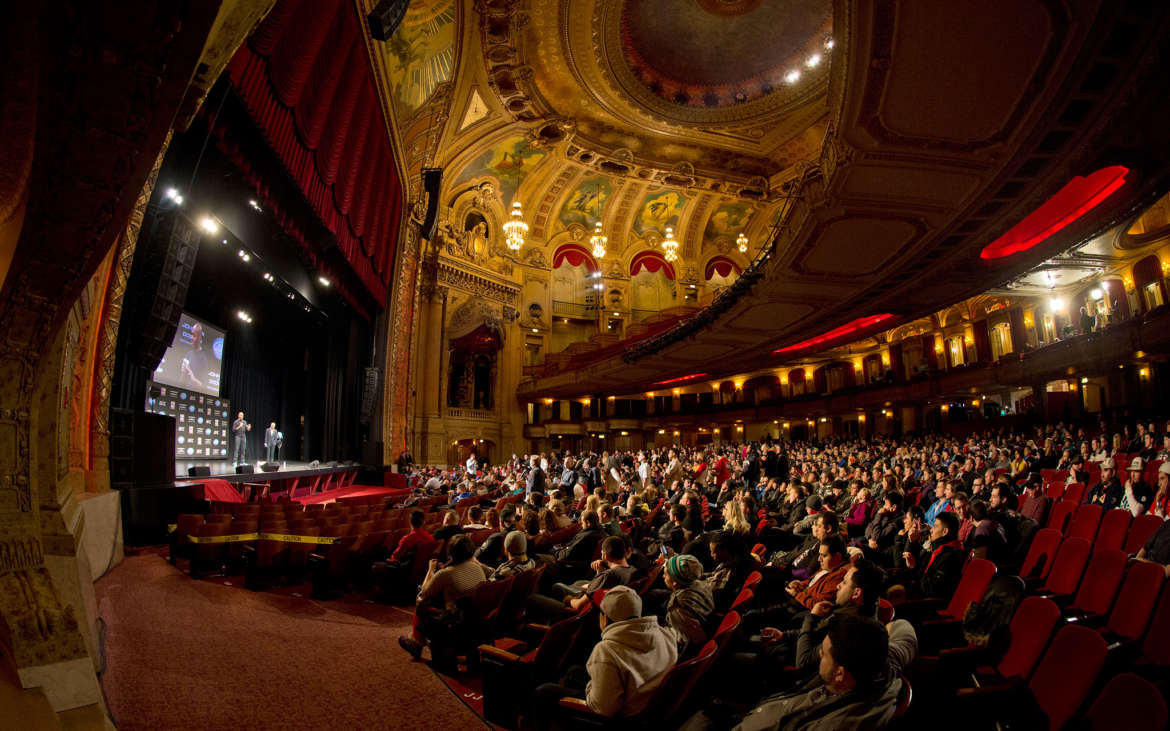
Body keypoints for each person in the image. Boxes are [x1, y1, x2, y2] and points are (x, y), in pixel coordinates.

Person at [530, 586, 678, 726]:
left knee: (543, 691)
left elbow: (603, 709)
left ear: (604, 619)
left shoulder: (607, 650)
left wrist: (590, 688)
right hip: (645, 699)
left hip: (623, 716)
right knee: (573, 672)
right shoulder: (662, 631)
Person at [727, 614, 902, 731]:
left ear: (840, 674)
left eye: (824, 654)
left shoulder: (833, 724)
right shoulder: (882, 668)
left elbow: (802, 662)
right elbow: (902, 625)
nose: (819, 654)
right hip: (765, 708)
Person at [397, 534, 486, 660]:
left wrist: (431, 570)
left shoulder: (447, 573)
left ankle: (417, 642)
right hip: (474, 619)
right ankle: (417, 641)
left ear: (451, 553)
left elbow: (424, 591)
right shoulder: (478, 568)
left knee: (421, 601)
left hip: (454, 621)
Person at [663, 554, 714, 652]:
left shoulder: (678, 607)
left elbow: (692, 641)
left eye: (666, 574)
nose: (663, 576)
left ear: (675, 582)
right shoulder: (699, 583)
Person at [179, 322, 210, 390]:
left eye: (194, 335)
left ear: (200, 338)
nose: (191, 338)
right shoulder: (188, 354)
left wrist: (193, 378)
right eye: (191, 335)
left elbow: (203, 386)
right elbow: (182, 383)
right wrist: (183, 373)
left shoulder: (204, 358)